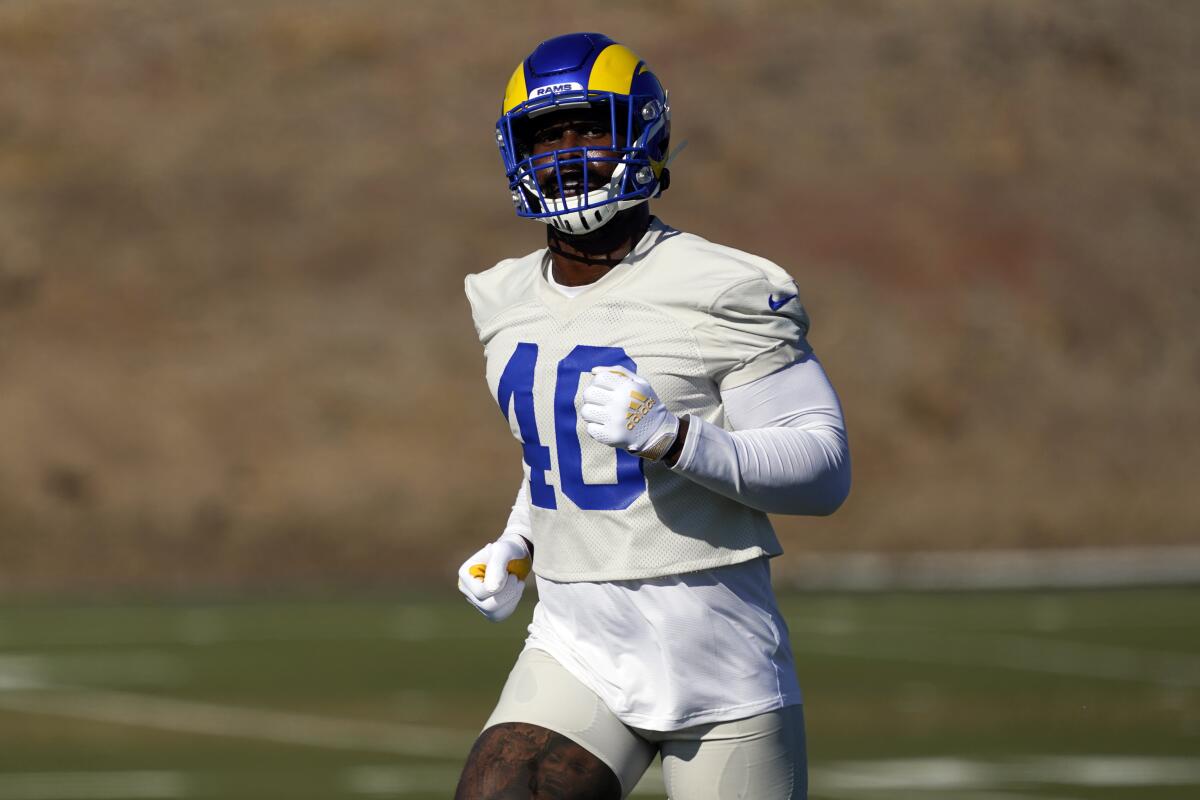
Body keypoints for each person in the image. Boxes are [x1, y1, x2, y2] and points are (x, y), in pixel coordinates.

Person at [454, 32, 850, 800]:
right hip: (576, 638)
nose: (567, 152)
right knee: (502, 790)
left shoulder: (721, 286)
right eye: (545, 133)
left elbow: (824, 471)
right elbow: (565, 449)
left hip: (715, 652)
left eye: (589, 127)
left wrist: (677, 438)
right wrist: (520, 539)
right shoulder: (500, 298)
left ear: (644, 133)